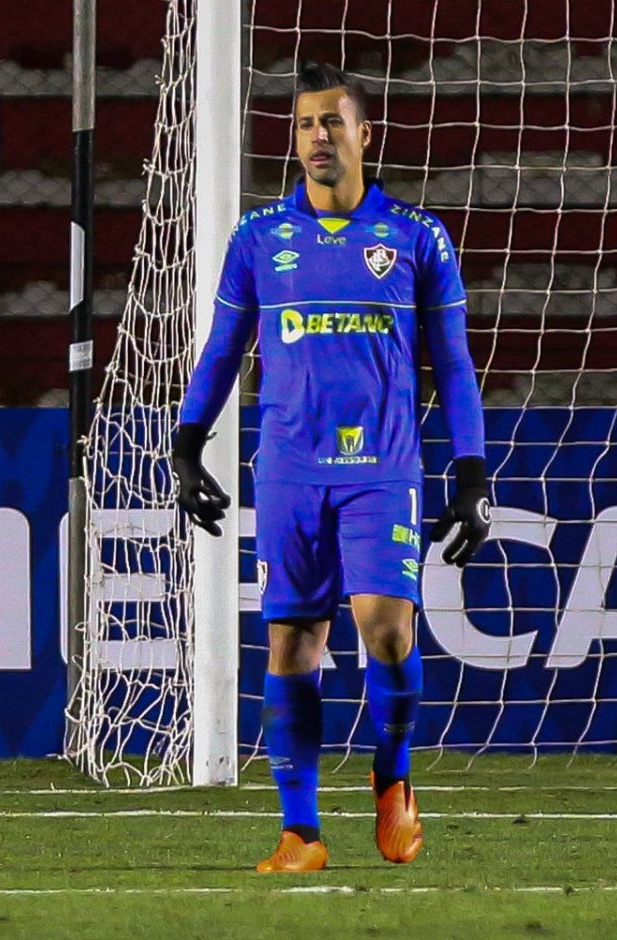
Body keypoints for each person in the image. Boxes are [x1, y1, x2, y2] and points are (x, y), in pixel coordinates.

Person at [171, 61, 491, 873]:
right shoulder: (259, 238)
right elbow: (221, 351)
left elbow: (452, 364)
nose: (318, 136)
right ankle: (300, 831)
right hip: (286, 469)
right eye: (307, 124)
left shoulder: (416, 236)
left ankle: (393, 776)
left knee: (385, 630)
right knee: (291, 646)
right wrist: (186, 441)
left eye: (333, 122)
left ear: (364, 133)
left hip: (381, 467)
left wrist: (472, 472)